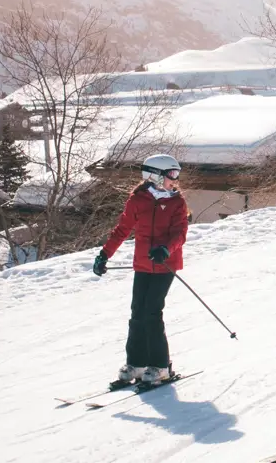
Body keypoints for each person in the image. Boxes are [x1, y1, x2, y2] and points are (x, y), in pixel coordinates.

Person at [92, 153, 189, 387]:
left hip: (165, 265)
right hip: (144, 264)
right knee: (137, 312)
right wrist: (105, 254)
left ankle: (161, 366)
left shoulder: (177, 202)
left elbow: (180, 233)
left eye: (176, 175)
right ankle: (136, 364)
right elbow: (122, 229)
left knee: (152, 312)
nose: (174, 180)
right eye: (171, 175)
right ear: (154, 176)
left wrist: (166, 249)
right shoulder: (138, 200)